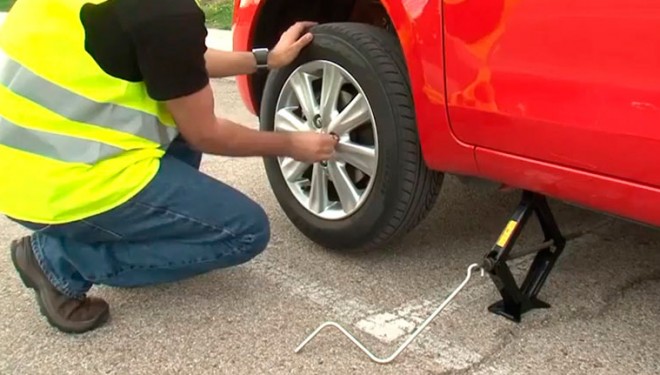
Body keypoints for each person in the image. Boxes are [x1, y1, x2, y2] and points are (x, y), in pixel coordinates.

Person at [0, 0, 338, 334]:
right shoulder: (165, 12)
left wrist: (264, 60)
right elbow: (207, 134)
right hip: (61, 186)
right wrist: (291, 144)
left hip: (19, 165)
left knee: (179, 123)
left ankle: (149, 223)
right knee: (245, 232)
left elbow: (173, 54)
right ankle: (59, 262)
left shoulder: (153, 14)